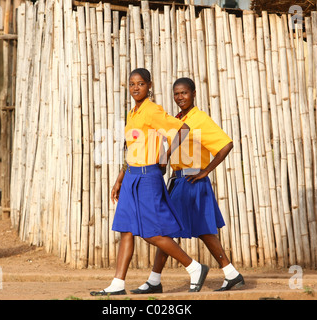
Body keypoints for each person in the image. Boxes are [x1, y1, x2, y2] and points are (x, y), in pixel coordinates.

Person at [90, 69, 209, 296]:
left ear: (149, 85)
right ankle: (118, 284)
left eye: (141, 84)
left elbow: (182, 129)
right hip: (131, 177)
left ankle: (194, 268)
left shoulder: (153, 110)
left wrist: (164, 157)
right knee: (125, 229)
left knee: (151, 233)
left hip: (148, 178)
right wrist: (119, 178)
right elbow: (131, 149)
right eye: (132, 84)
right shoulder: (132, 113)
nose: (136, 88)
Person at [131, 77, 244, 294]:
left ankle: (157, 280)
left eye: (184, 93)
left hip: (193, 181)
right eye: (176, 94)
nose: (180, 97)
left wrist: (206, 171)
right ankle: (231, 274)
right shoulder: (177, 119)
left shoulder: (200, 118)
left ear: (193, 93)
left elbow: (226, 144)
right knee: (183, 231)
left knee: (174, 230)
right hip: (178, 181)